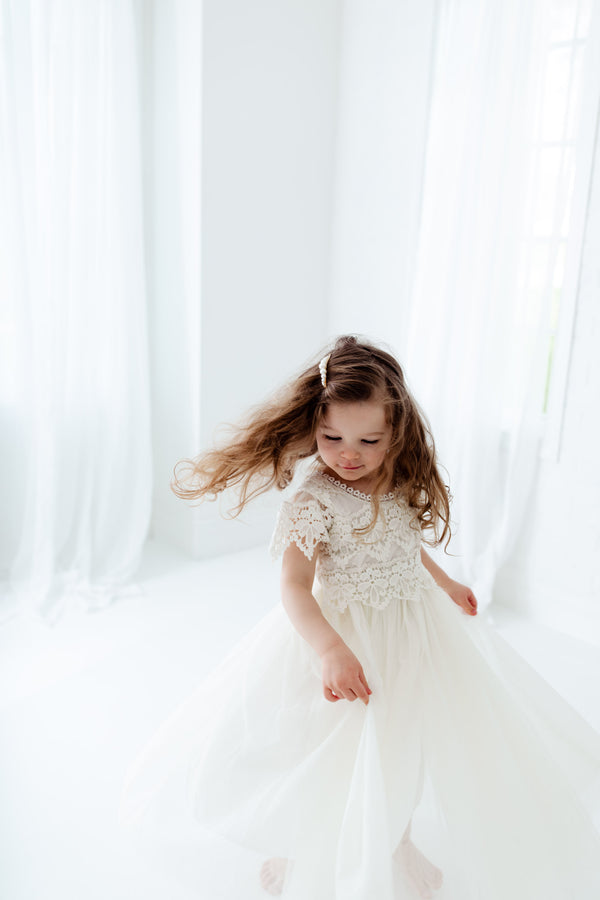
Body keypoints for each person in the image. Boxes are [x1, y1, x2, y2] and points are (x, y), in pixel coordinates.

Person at [120, 335, 600, 900]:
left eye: (369, 439)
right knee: (334, 751)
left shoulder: (395, 482)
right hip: (346, 642)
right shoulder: (314, 501)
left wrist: (444, 583)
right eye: (332, 438)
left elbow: (402, 544)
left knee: (402, 741)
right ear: (312, 427)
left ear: (395, 432)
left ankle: (395, 838)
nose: (349, 453)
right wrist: (329, 650)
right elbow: (295, 586)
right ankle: (302, 844)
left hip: (412, 633)